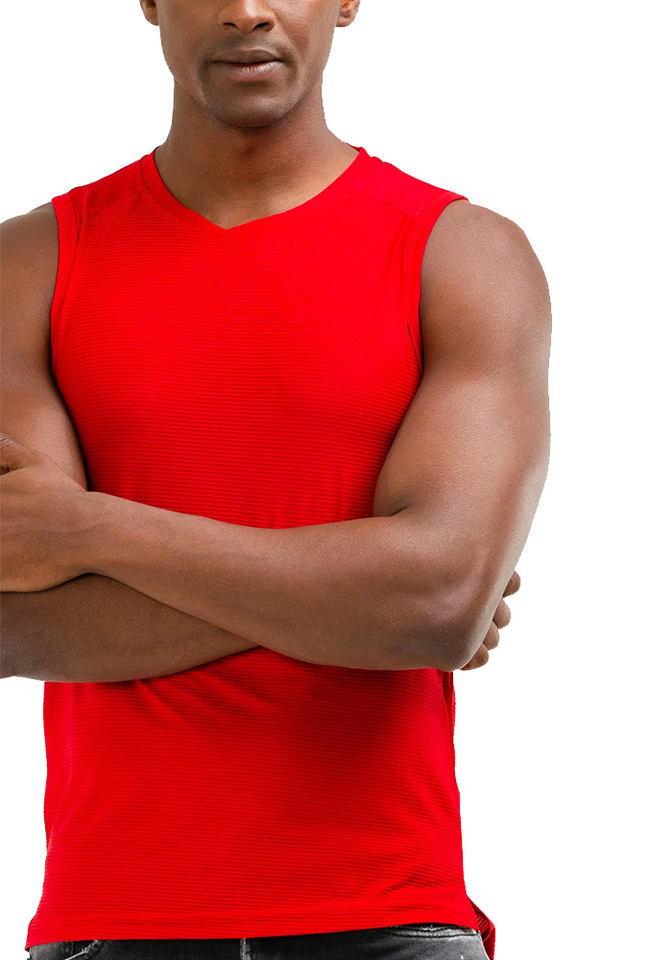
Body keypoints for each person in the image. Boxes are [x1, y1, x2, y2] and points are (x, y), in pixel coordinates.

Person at [0, 1, 551, 958]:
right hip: (113, 919)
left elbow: (435, 601)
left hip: (387, 913)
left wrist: (89, 531)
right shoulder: (28, 267)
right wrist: (367, 594)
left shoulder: (464, 257)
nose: (247, 10)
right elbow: (16, 622)